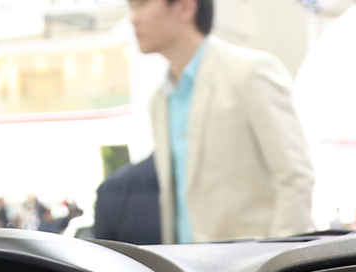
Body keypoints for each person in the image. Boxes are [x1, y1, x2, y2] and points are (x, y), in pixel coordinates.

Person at [129, 0, 314, 242]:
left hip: (254, 259)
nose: (133, 18)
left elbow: (296, 178)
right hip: (186, 260)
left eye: (141, 4)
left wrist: (277, 257)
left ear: (185, 7)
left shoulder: (249, 73)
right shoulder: (160, 100)